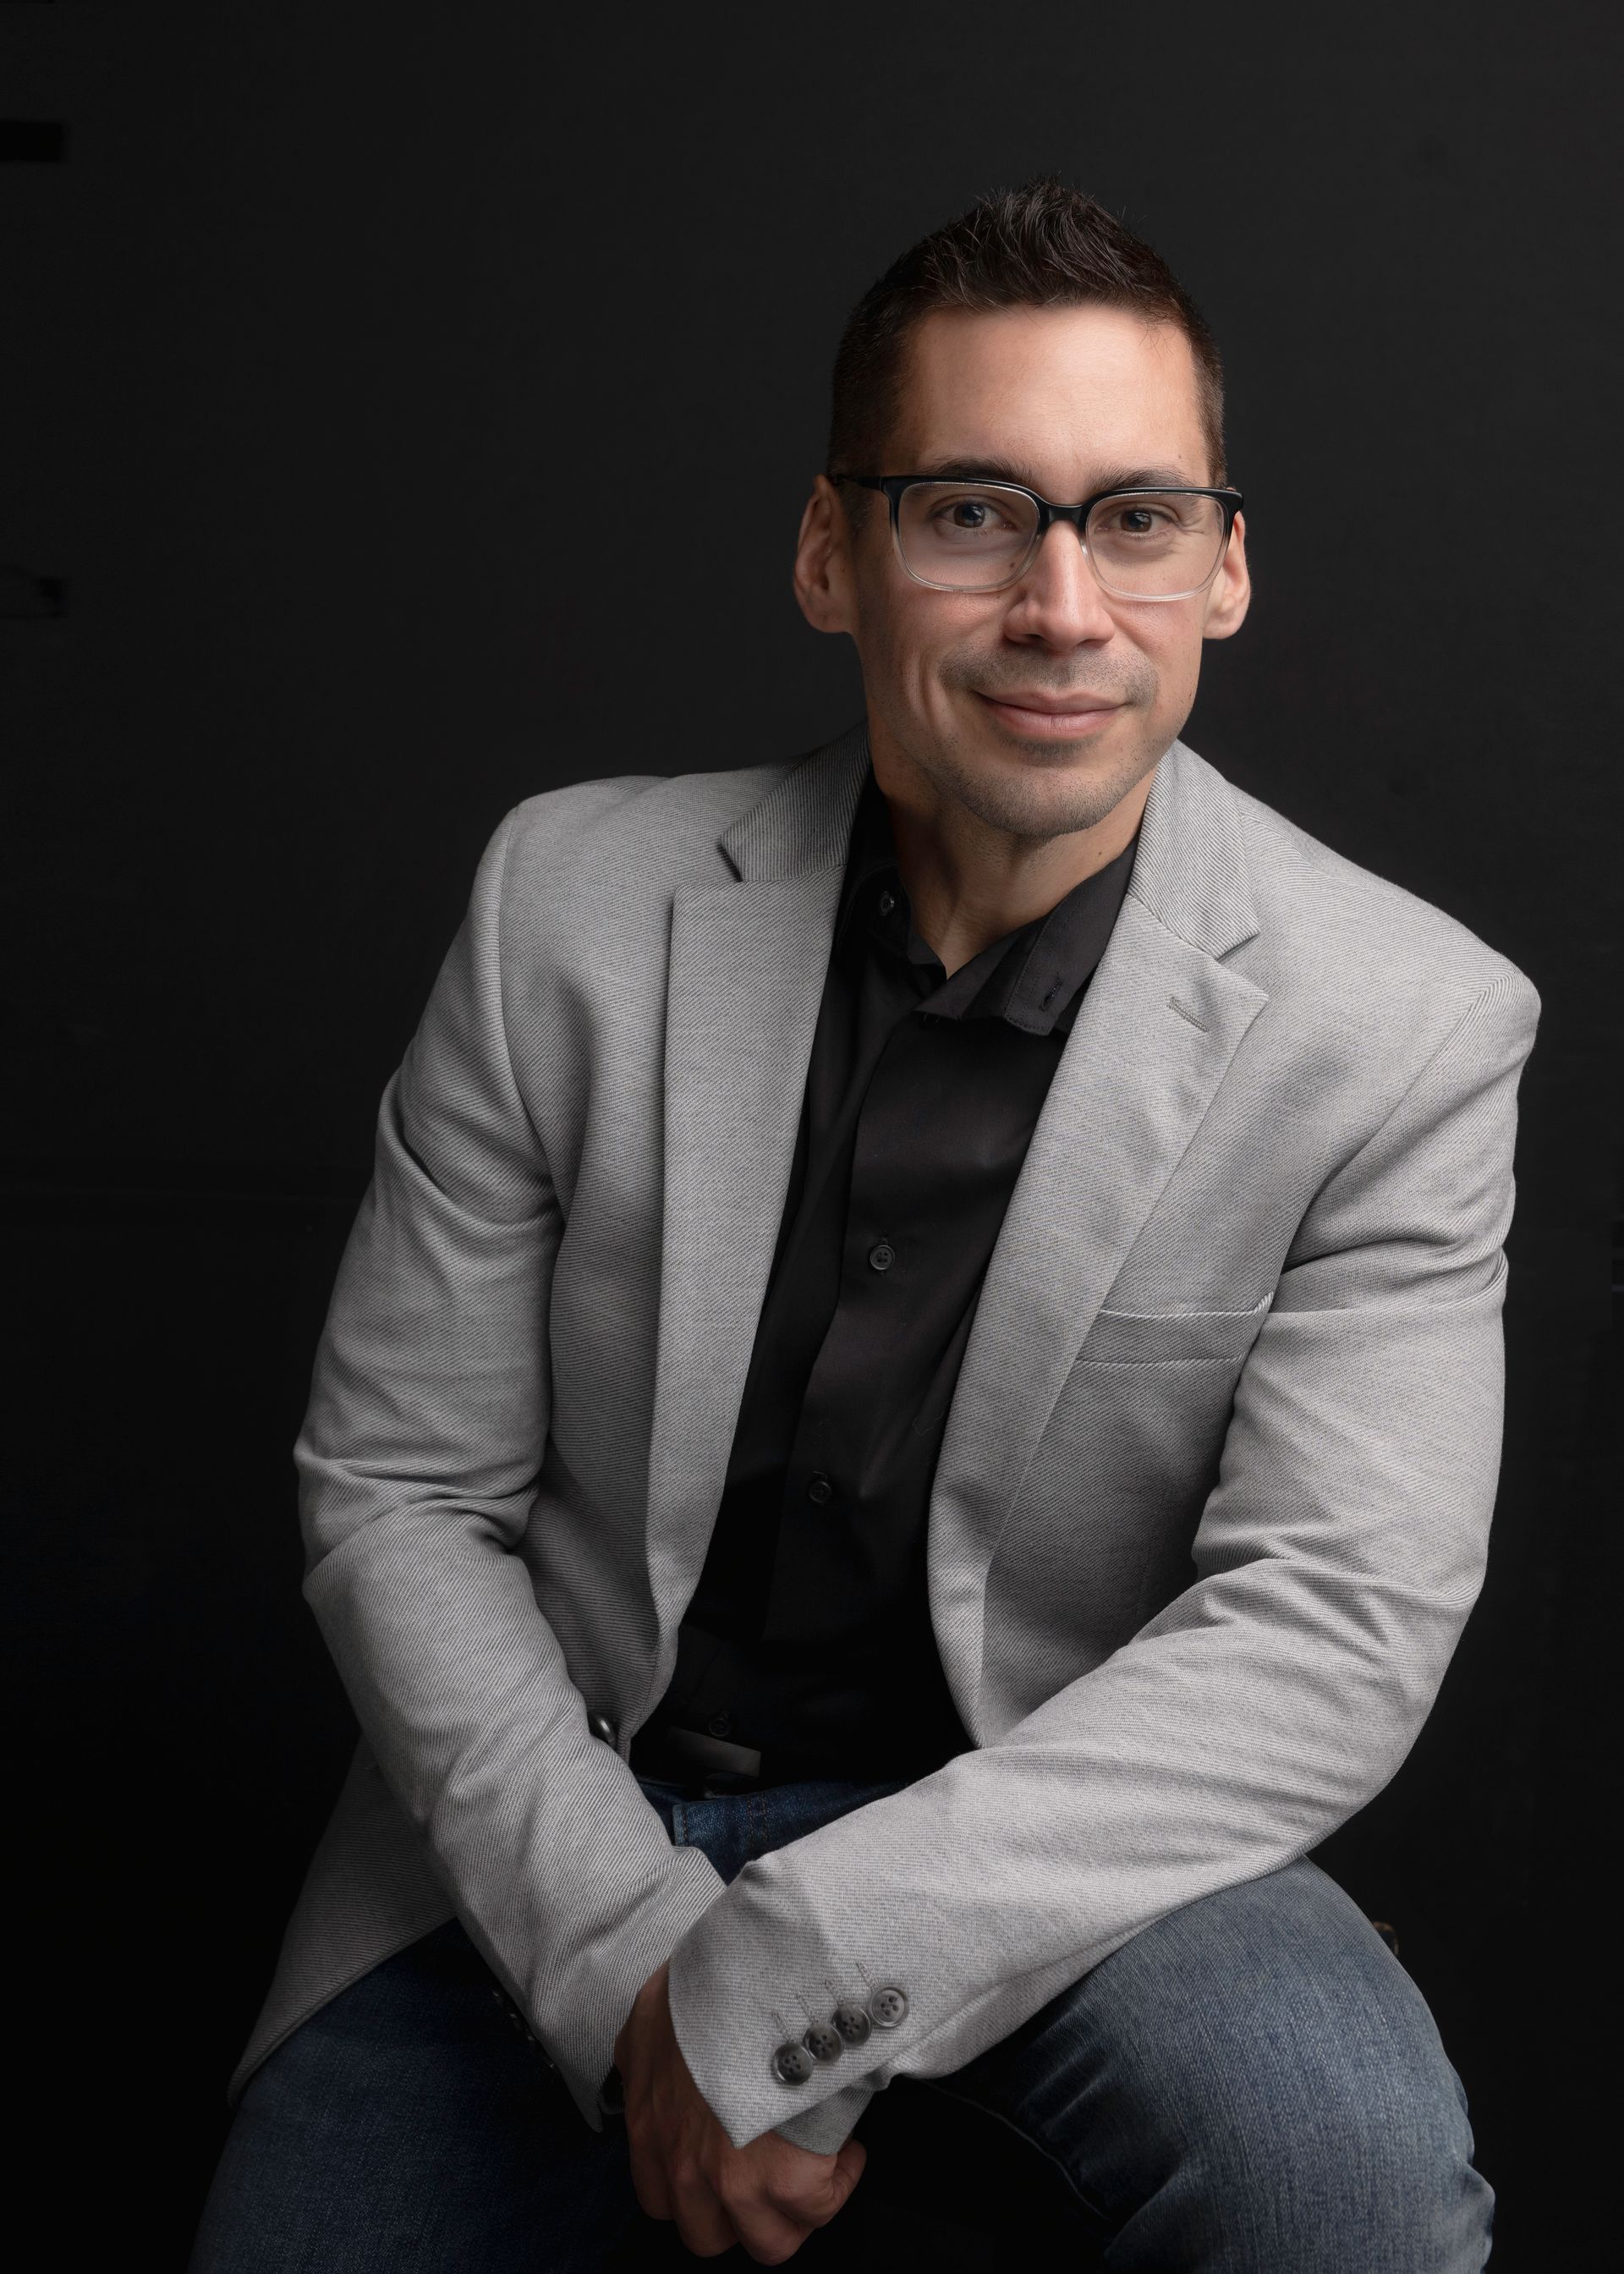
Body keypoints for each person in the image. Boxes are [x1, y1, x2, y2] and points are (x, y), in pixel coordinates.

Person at [189, 179, 1535, 2271]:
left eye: (1137, 517)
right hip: (562, 1815)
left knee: (1346, 2188)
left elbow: (1331, 1635)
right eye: (974, 511)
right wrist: (638, 1963)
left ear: (1228, 568)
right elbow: (395, 1499)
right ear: (835, 552)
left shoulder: (1405, 1025)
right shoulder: (569, 905)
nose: (1063, 605)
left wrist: (774, 1980)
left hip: (1074, 1842)